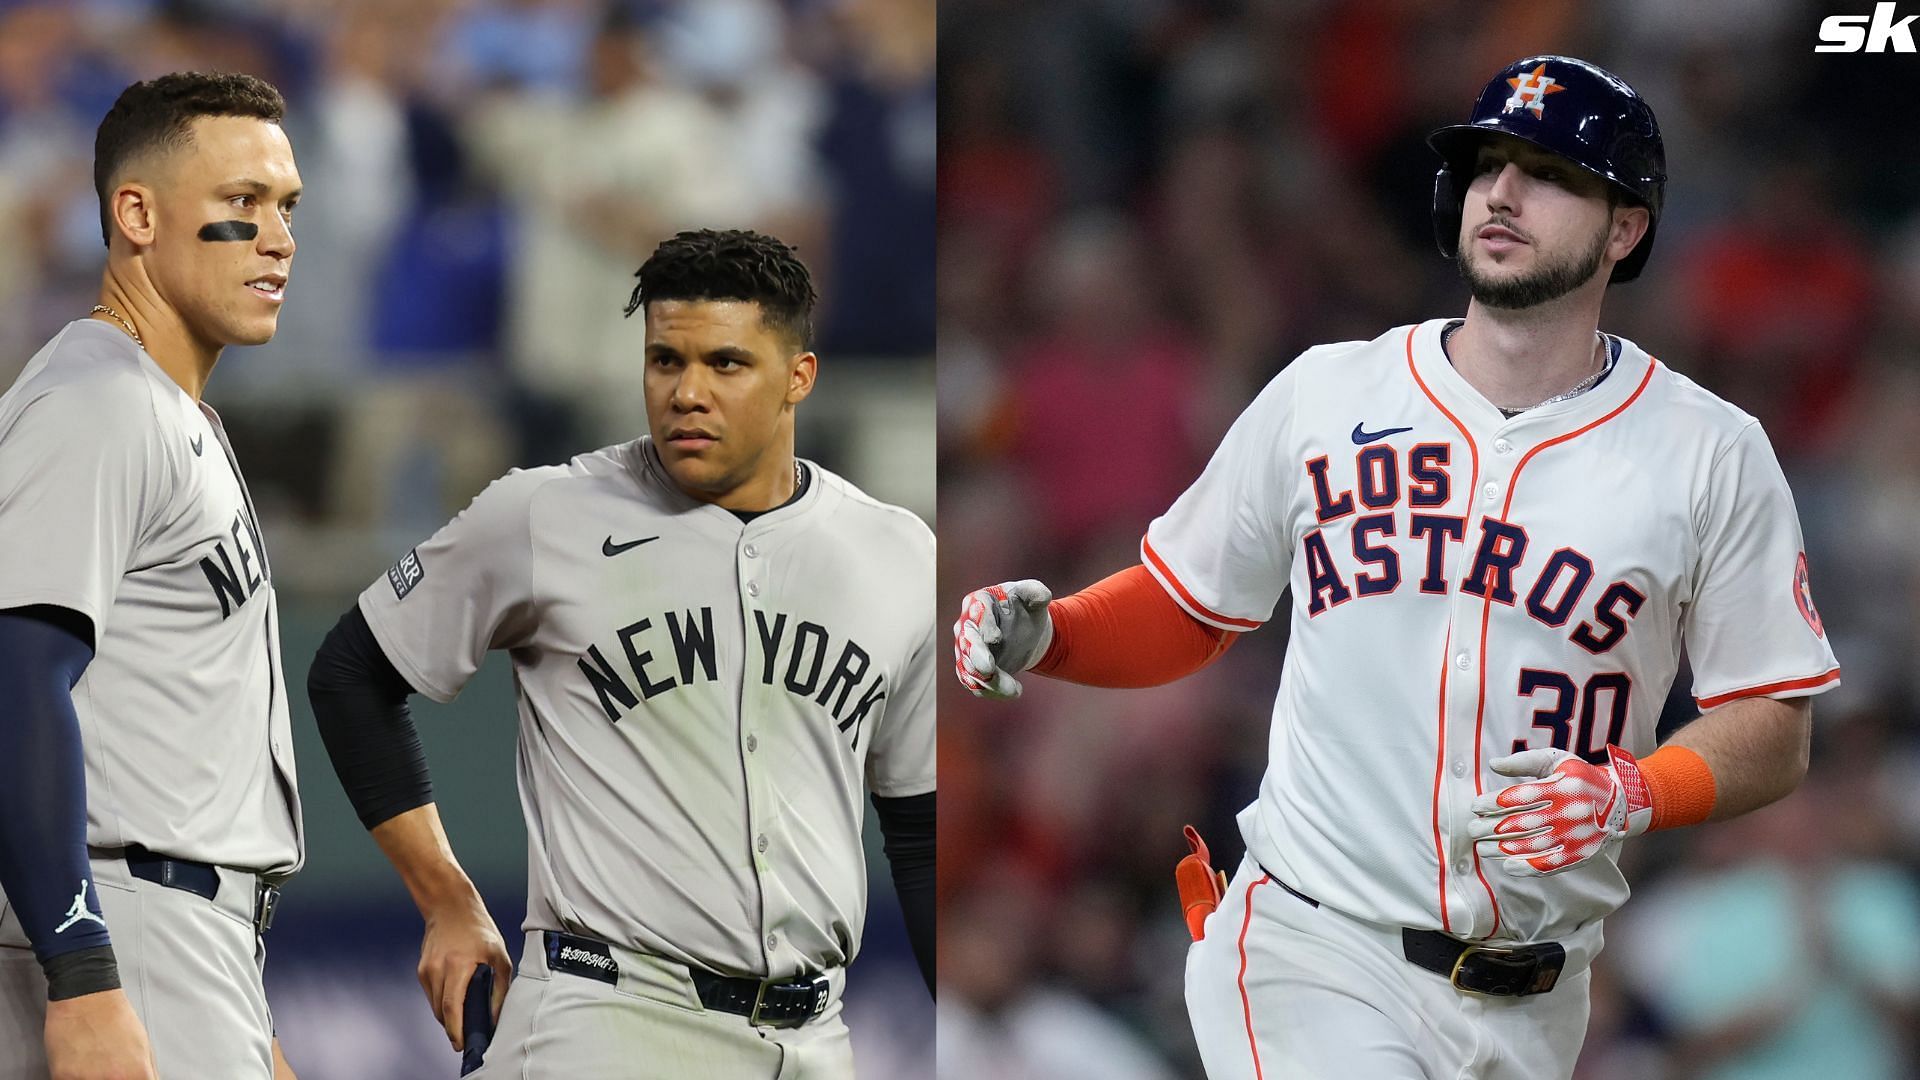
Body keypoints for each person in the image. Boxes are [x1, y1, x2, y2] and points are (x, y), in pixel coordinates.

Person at [954, 55, 1840, 1080]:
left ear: (1626, 227)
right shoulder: (1328, 393)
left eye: (1550, 174)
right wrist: (1059, 633)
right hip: (1314, 945)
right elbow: (1192, 602)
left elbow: (1775, 724)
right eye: (1488, 164)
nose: (1503, 192)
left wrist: (1635, 791)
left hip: (1537, 997)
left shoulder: (1709, 451)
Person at [308, 228, 935, 1077]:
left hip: (816, 1039)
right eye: (665, 360)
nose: (686, 392)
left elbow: (921, 829)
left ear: (799, 378)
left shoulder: (895, 554)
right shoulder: (547, 514)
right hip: (606, 1018)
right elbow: (350, 672)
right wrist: (446, 899)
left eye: (725, 363)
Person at [0, 72, 305, 1079]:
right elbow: (15, 678)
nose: (278, 238)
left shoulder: (166, 409)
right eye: (241, 206)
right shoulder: (99, 401)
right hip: (124, 921)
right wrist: (85, 973)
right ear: (137, 213)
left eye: (286, 207)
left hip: (185, 933)